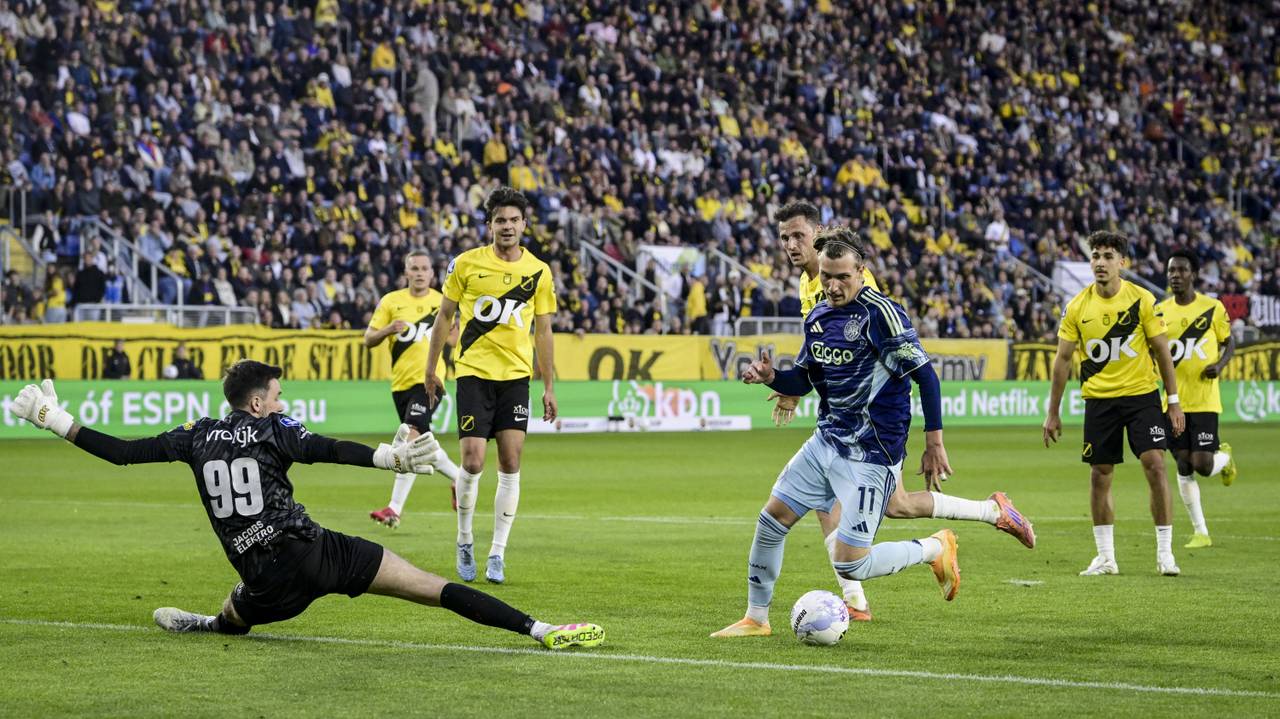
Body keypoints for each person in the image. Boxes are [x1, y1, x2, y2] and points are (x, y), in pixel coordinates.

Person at [9, 361, 603, 649]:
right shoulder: (271, 430)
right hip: (318, 551)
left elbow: (119, 452)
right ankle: (540, 627)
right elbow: (326, 449)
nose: (283, 398)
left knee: (236, 615)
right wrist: (389, 460)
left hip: (263, 579)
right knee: (430, 586)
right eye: (278, 393)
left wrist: (52, 419)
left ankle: (211, 623)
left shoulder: (193, 437)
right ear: (260, 403)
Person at [712, 229, 1034, 638]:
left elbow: (926, 378)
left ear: (861, 271)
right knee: (771, 519)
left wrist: (934, 442)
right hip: (827, 440)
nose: (832, 285)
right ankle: (756, 619)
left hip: (871, 452)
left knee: (851, 563)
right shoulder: (818, 317)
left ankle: (935, 548)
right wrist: (773, 376)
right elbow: (808, 380)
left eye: (842, 276)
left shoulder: (882, 314)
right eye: (827, 276)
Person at [424, 187, 558, 584]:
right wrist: (431, 369)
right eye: (500, 220)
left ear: (524, 224)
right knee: (471, 461)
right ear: (490, 225)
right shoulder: (465, 265)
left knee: (511, 462)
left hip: (516, 376)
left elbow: (545, 330)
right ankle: (464, 539)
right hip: (473, 372)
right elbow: (444, 317)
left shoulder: (539, 271)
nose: (508, 226)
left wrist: (549, 386)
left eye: (514, 220)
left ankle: (497, 552)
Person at [764, 200, 884, 622]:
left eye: (798, 235)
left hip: (868, 412)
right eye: (784, 238)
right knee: (823, 500)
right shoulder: (805, 282)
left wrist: (799, 383)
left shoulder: (847, 278)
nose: (791, 244)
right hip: (839, 408)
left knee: (902, 504)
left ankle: (968, 527)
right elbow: (817, 337)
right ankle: (855, 600)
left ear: (818, 233)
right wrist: (795, 383)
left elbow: (861, 329)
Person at [1043, 231, 1186, 576]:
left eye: (1108, 256)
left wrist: (1174, 401)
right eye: (1095, 256)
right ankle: (1106, 558)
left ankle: (1165, 553)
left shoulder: (1142, 300)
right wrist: (1053, 411)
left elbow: (1162, 351)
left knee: (1155, 463)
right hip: (1099, 401)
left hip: (1141, 397)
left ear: (1122, 263)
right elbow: (1062, 360)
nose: (1100, 263)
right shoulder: (1077, 306)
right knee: (1100, 474)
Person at [364, 249, 462, 529]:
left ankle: (393, 508)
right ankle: (459, 479)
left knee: (410, 438)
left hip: (431, 382)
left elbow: (454, 340)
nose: (419, 273)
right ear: (406, 273)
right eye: (414, 268)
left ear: (432, 274)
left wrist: (456, 334)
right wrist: (387, 330)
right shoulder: (391, 301)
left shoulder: (442, 302)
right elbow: (368, 339)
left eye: (424, 269)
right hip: (401, 384)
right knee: (422, 443)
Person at [1157, 250, 1238, 548]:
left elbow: (1230, 341)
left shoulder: (1212, 308)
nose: (1174, 276)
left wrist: (1220, 365)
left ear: (1193, 274)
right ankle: (1200, 531)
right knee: (1182, 462)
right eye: (1170, 271)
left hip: (1204, 400)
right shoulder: (1160, 312)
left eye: (1180, 270)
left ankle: (1225, 458)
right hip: (1174, 401)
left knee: (1203, 463)